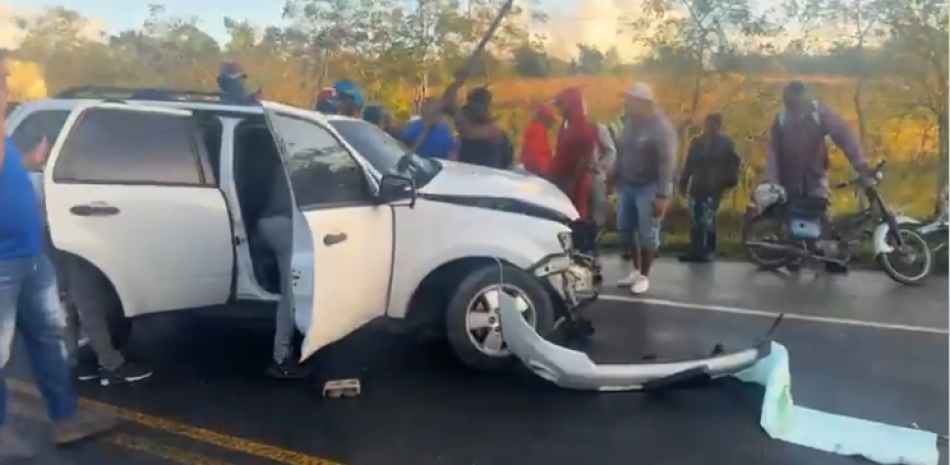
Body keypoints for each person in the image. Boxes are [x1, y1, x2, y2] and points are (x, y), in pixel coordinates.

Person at [0, 51, 118, 458]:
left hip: (31, 257)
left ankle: (64, 418)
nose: (7, 86)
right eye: (2, 80)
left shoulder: (7, 143)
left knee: (49, 339)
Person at [766, 80, 870, 274]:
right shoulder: (781, 119)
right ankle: (793, 256)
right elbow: (773, 150)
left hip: (815, 175)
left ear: (802, 95)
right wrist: (772, 178)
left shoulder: (819, 112)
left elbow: (843, 135)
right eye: (788, 100)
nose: (790, 103)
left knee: (821, 213)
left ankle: (828, 257)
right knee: (791, 216)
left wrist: (860, 163)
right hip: (789, 177)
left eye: (793, 98)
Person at [612, 83, 677, 295]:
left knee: (648, 233)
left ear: (644, 103)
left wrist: (662, 196)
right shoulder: (631, 123)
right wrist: (613, 175)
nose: (627, 104)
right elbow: (622, 150)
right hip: (628, 183)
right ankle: (635, 270)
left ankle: (644, 276)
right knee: (626, 230)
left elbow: (666, 163)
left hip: (649, 187)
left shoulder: (661, 128)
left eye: (631, 100)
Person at [677, 113, 741, 263]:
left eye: (714, 125)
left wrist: (727, 180)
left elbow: (734, 163)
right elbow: (689, 165)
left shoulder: (726, 144)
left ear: (719, 126)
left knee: (707, 218)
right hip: (697, 184)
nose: (710, 128)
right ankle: (696, 250)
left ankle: (708, 250)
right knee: (695, 218)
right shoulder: (697, 143)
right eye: (708, 124)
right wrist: (683, 182)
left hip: (714, 186)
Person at [548, 87, 599, 254]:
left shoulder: (583, 127)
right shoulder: (567, 125)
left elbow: (583, 160)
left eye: (561, 105)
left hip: (575, 182)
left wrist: (571, 183)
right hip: (562, 179)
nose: (559, 109)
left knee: (576, 219)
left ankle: (585, 255)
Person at [450, 87, 513, 169]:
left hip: (487, 175)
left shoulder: (492, 130)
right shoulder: (469, 123)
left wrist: (458, 114)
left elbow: (468, 133)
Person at [519, 104, 555, 176]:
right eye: (550, 120)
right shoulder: (538, 130)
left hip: (536, 169)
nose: (551, 124)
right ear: (545, 118)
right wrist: (545, 170)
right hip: (537, 172)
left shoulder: (537, 128)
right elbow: (535, 156)